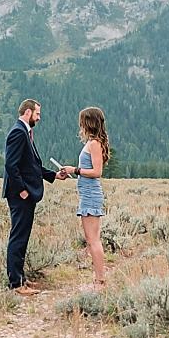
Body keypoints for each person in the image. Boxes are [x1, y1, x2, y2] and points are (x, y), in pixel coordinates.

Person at [2, 98, 66, 294]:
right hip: (20, 195)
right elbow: (11, 165)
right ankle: (16, 284)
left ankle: (20, 278)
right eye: (37, 113)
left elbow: (32, 166)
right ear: (28, 112)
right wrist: (22, 190)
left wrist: (53, 175)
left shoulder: (25, 133)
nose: (39, 117)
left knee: (22, 236)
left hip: (26, 193)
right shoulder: (18, 133)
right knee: (18, 237)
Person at [61, 106, 110, 289]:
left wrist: (75, 170)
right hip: (87, 193)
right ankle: (99, 278)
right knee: (92, 239)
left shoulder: (94, 144)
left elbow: (97, 172)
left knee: (93, 240)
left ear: (87, 122)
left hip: (90, 194)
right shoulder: (92, 143)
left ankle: (100, 279)